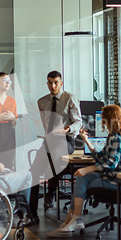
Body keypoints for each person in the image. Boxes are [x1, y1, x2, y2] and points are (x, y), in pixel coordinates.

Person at [46, 105, 121, 238]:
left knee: (84, 177)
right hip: (112, 175)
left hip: (119, 180)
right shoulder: (112, 136)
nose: (101, 120)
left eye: (103, 117)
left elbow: (111, 163)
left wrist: (89, 168)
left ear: (109, 119)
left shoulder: (116, 137)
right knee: (82, 176)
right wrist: (86, 141)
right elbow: (101, 158)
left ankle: (74, 220)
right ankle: (70, 221)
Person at [29, 70, 82, 224]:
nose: (53, 86)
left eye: (56, 83)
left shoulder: (70, 98)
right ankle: (32, 212)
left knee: (54, 157)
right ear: (47, 83)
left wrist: (68, 129)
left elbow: (78, 122)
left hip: (66, 140)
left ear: (61, 83)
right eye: (50, 83)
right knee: (33, 172)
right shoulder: (42, 101)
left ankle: (51, 192)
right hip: (50, 140)